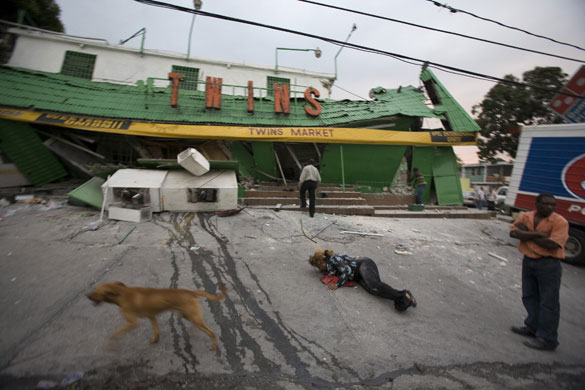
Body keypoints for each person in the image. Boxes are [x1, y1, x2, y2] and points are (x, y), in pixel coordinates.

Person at [509, 193, 569, 351]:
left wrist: (526, 234)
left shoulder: (560, 222)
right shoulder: (526, 216)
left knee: (548, 303)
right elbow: (513, 233)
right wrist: (538, 234)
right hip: (528, 261)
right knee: (529, 296)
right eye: (546, 204)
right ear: (536, 204)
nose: (549, 207)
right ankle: (532, 327)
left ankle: (547, 339)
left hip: (548, 264)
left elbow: (552, 245)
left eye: (553, 205)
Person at [308, 249, 417, 312]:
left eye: (319, 267)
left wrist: (337, 284)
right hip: (357, 274)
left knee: (374, 285)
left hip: (364, 264)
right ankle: (400, 296)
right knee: (372, 291)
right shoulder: (329, 266)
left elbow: (347, 270)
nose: (319, 269)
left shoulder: (334, 259)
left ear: (321, 263)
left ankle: (404, 294)